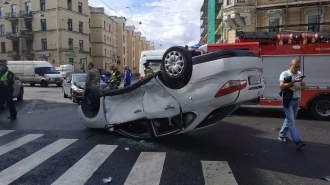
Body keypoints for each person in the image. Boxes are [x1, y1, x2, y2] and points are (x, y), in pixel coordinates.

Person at [278, 58, 306, 148]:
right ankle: (297, 140)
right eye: (295, 66)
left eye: (298, 66)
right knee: (291, 121)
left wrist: (298, 88)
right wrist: (294, 81)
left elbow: (304, 86)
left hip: (296, 100)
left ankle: (282, 135)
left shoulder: (300, 74)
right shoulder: (284, 74)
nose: (297, 68)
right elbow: (282, 86)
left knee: (290, 118)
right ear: (290, 66)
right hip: (287, 100)